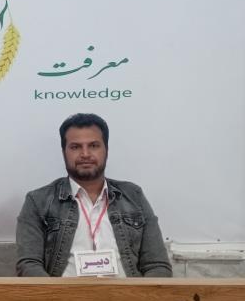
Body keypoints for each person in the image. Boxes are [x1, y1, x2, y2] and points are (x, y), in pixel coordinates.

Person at [16, 113, 171, 277]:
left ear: (106, 150)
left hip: (126, 293)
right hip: (64, 293)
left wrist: (136, 294)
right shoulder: (38, 201)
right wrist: (57, 293)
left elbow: (157, 265)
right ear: (63, 152)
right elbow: (28, 265)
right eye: (75, 147)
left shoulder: (134, 196)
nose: (85, 154)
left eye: (94, 145)